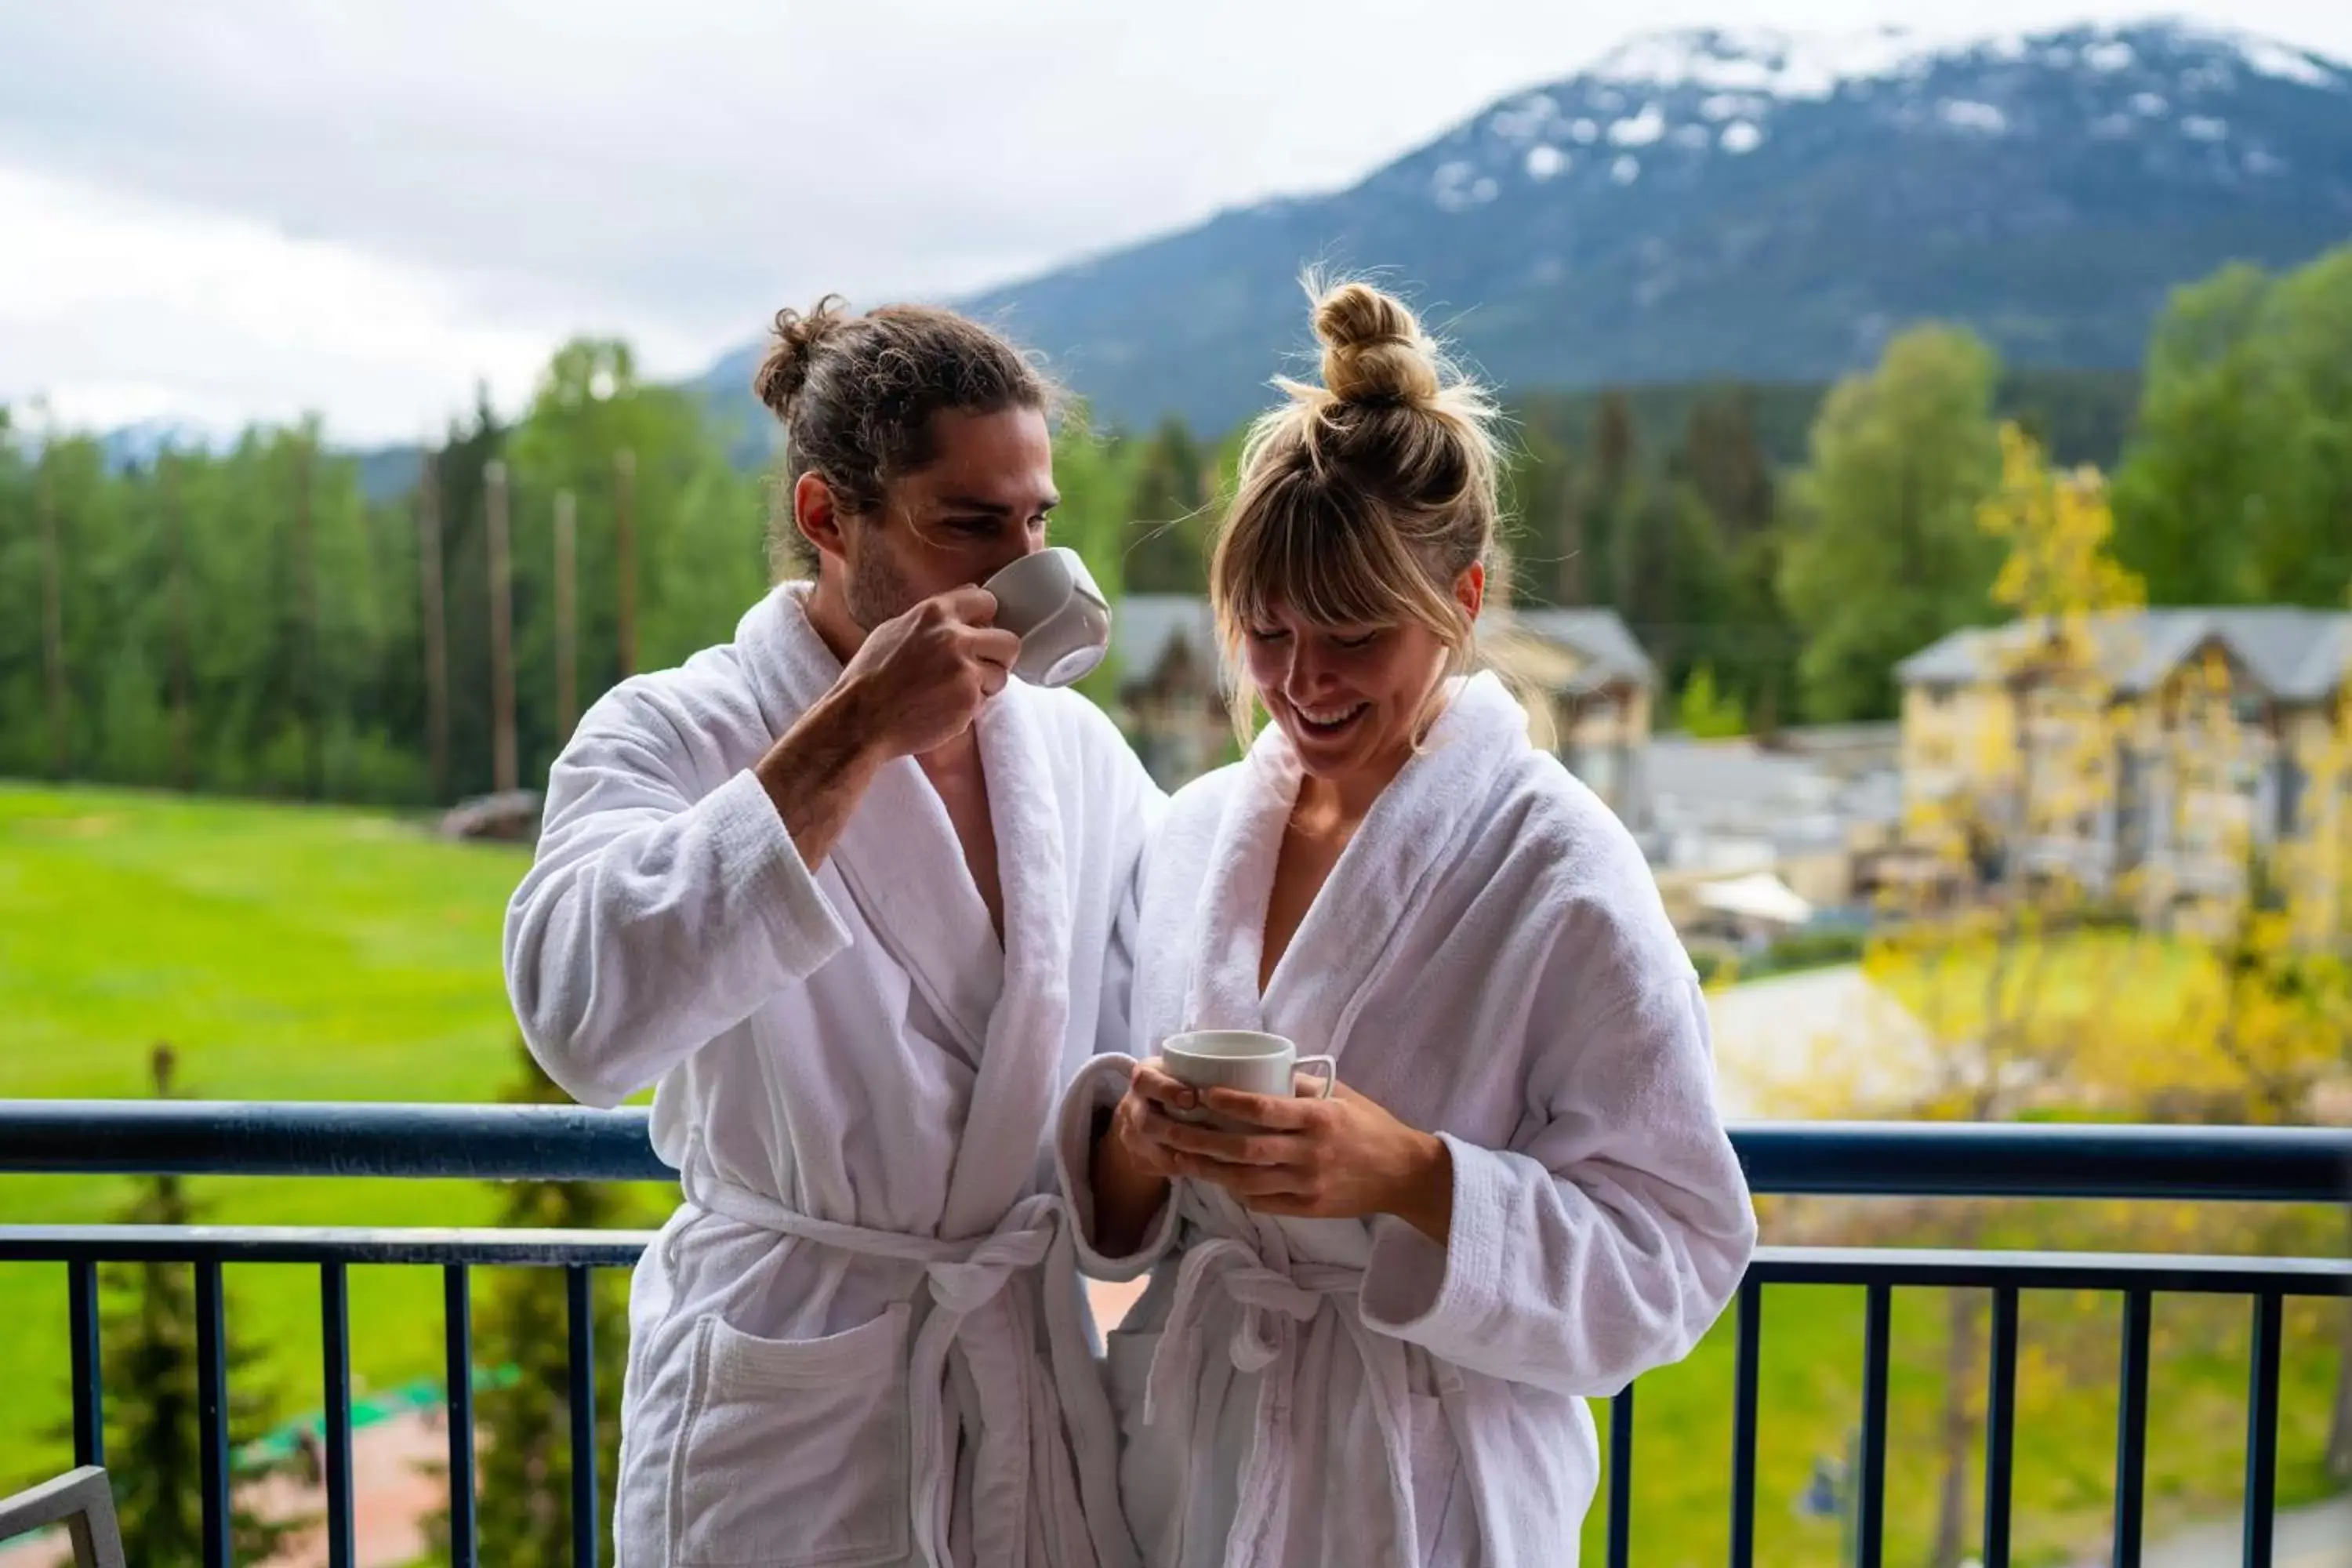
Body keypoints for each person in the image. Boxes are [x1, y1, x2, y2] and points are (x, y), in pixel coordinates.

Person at [1052, 280, 1756, 1566]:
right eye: (1266, 633)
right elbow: (1114, 1201)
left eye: (1356, 634)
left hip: (1428, 1486)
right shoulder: (1198, 834)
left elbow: (1678, 1254)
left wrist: (1413, 1178)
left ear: (1466, 598)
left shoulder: (1561, 871)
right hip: (1202, 1468)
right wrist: (1142, 1140)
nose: (1303, 682)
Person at [505, 297, 1157, 1568]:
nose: (1017, 566)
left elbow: (1166, 1005)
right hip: (793, 1407)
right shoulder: (672, 732)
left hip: (1023, 1373)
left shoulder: (1076, 754)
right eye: (969, 525)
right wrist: (851, 733)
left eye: (1036, 525)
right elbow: (581, 1022)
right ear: (826, 519)